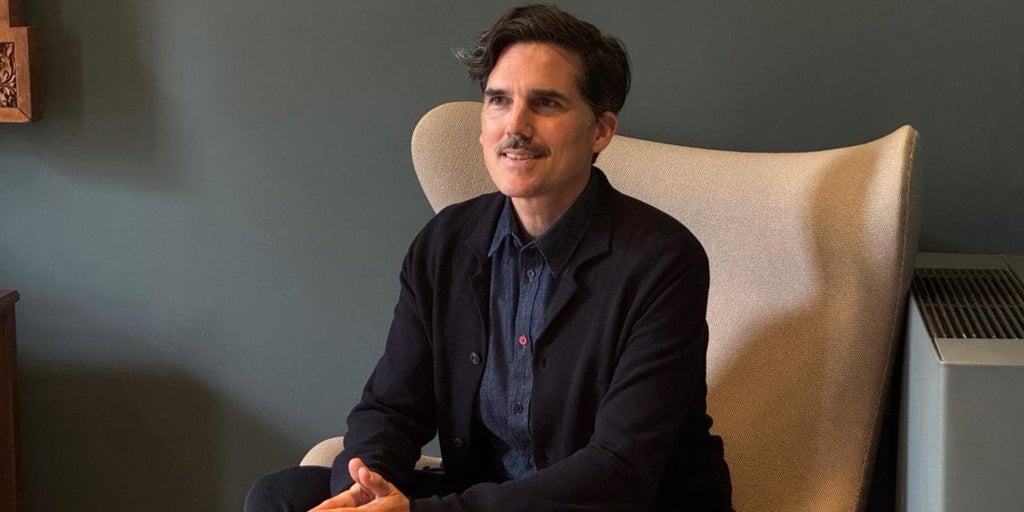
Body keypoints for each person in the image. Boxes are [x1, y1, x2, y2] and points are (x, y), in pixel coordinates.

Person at [246, 4, 732, 511]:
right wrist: (364, 488)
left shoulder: (662, 262)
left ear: (601, 131)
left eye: (546, 103)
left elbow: (619, 470)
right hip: (484, 496)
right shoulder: (445, 243)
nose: (515, 125)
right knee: (281, 496)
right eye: (499, 100)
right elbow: (390, 408)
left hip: (615, 504)